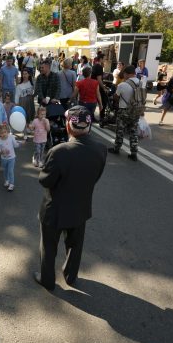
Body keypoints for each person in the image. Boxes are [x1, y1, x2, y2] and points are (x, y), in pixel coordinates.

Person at [33, 105, 107, 291]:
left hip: (54, 210)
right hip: (80, 207)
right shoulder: (100, 149)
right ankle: (70, 276)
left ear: (68, 126)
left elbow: (45, 181)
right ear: (89, 126)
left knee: (48, 248)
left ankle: (48, 280)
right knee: (75, 247)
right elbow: (96, 176)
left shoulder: (59, 152)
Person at [107, 65, 141, 161]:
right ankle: (134, 153)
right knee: (133, 132)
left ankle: (116, 148)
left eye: (125, 74)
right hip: (136, 110)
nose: (124, 75)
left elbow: (116, 97)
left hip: (124, 110)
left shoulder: (122, 85)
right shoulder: (141, 83)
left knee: (120, 130)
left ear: (127, 74)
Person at [0, 124, 21, 191]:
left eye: (5, 132)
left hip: (12, 158)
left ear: (7, 132)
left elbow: (15, 145)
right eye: (1, 133)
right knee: (5, 170)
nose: (4, 134)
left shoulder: (11, 137)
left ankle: (11, 184)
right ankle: (7, 180)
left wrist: (19, 143)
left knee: (10, 171)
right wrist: (2, 152)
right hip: (4, 158)